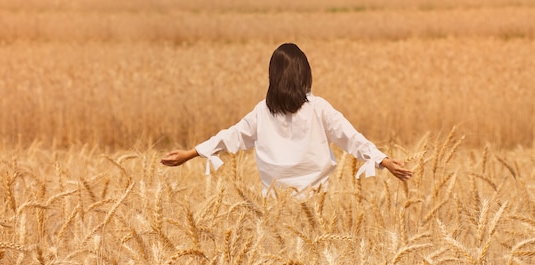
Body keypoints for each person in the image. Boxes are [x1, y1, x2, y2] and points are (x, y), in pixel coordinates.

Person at [161, 43, 412, 195]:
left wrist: (191, 153)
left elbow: (230, 137)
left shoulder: (262, 111)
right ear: (304, 75)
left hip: (274, 207)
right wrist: (383, 160)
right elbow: (351, 138)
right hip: (317, 207)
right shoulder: (319, 108)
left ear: (274, 77)